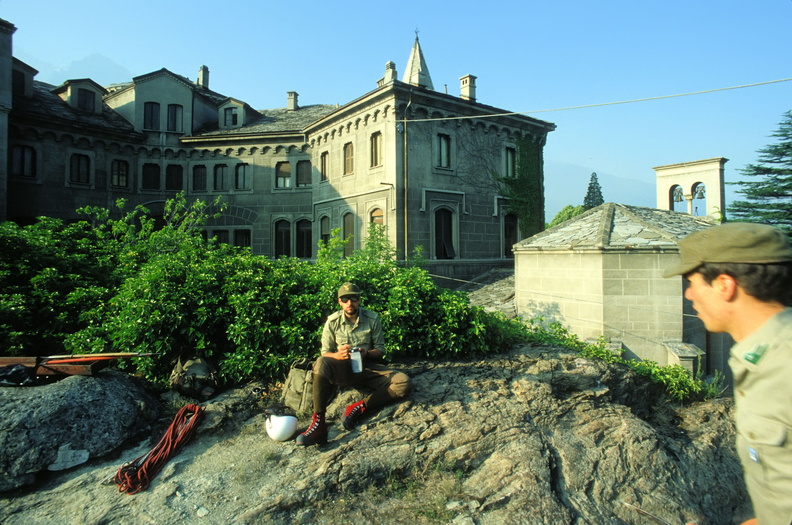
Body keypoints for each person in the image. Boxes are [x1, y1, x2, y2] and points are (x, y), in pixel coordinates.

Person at [664, 222, 792, 525]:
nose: (690, 295)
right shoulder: (763, 355)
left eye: (693, 282)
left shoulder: (784, 364)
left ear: (725, 284)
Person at [296, 282, 412, 446]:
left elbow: (380, 350)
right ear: (339, 302)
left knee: (403, 382)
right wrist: (338, 355)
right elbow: (325, 353)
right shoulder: (332, 321)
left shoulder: (372, 318)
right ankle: (319, 424)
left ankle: (359, 407)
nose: (350, 303)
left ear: (359, 300)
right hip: (343, 369)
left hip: (368, 367)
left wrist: (367, 353)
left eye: (354, 298)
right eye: (345, 299)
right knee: (321, 362)